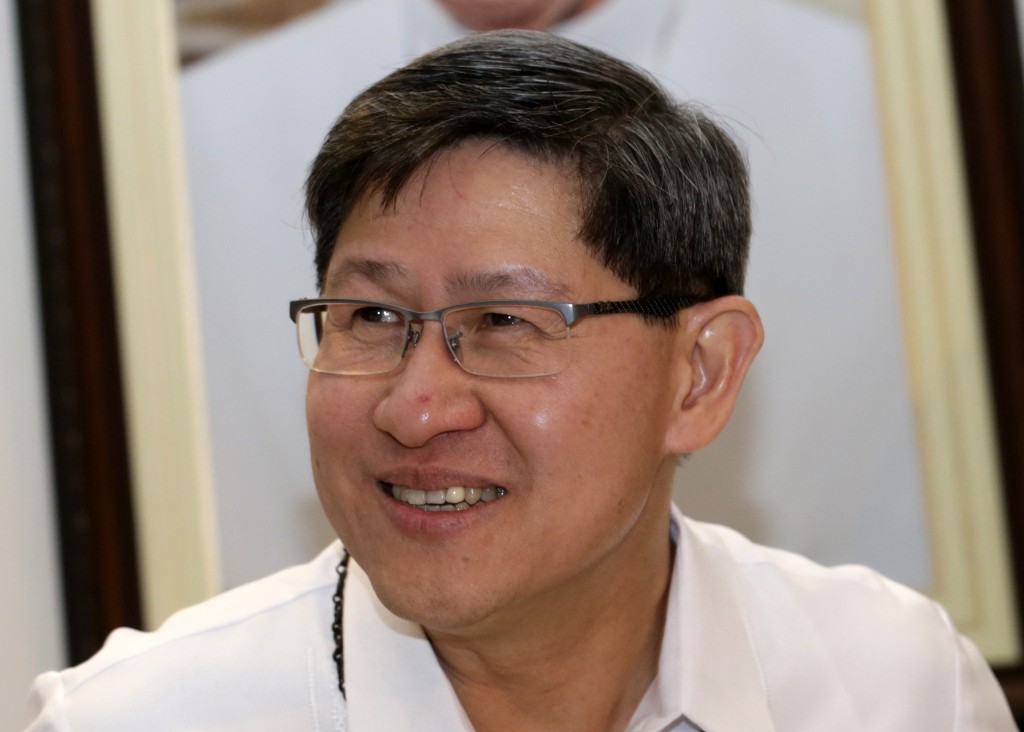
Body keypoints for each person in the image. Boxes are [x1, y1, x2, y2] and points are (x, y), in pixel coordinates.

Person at [26, 30, 1013, 731]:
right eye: (370, 316)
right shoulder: (136, 719)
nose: (415, 408)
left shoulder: (895, 688)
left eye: (500, 322)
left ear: (698, 375)